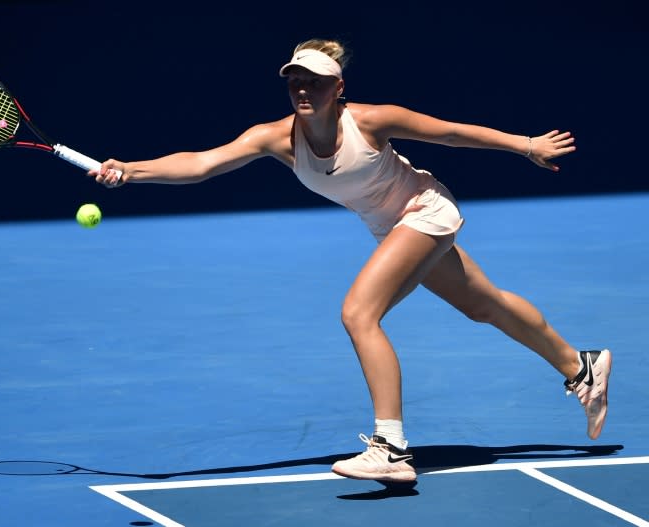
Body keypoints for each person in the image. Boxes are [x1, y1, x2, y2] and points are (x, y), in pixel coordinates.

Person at [88, 38, 612, 483]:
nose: (302, 89)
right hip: (390, 226)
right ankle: (579, 365)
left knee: (360, 313)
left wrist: (525, 146)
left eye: (314, 81)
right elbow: (202, 163)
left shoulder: (372, 120)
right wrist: (132, 170)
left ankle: (391, 448)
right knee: (485, 305)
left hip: (424, 211)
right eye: (294, 79)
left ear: (338, 88)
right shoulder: (273, 137)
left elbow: (450, 131)